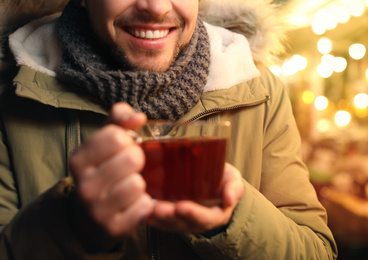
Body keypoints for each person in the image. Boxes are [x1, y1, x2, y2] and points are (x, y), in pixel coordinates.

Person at [0, 0, 338, 259]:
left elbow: (316, 250)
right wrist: (72, 225)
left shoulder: (259, 92)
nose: (156, 7)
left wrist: (232, 217)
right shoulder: (11, 95)